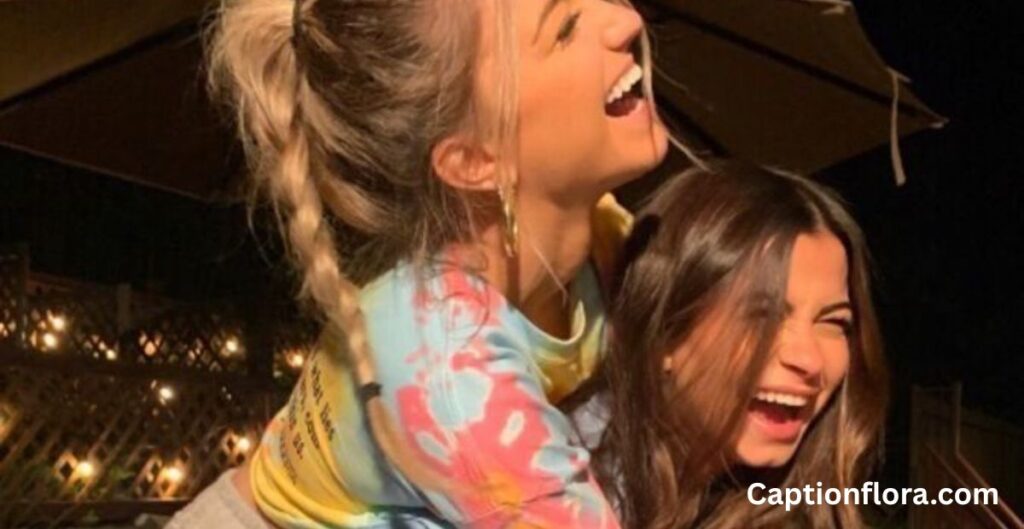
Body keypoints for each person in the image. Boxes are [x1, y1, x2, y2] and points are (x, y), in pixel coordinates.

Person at [169, 0, 672, 527]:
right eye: (565, 29)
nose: (627, 20)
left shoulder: (603, 238)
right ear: (475, 161)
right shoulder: (446, 365)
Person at [588, 162, 888, 529]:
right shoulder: (548, 480)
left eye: (833, 322)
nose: (810, 360)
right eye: (763, 315)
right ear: (664, 332)